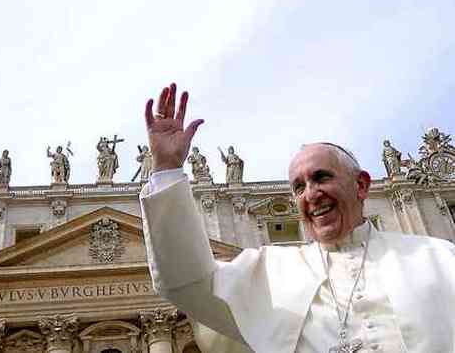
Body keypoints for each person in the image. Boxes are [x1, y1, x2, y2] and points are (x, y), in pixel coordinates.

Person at [140, 83, 455, 353]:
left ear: (361, 185)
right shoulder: (268, 272)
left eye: (321, 177)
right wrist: (167, 169)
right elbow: (187, 282)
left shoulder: (440, 259)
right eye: (299, 187)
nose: (311, 194)